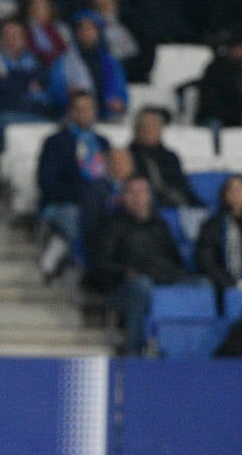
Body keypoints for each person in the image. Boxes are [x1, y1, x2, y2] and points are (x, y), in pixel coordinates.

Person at [86, 176, 199, 355]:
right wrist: (125, 272)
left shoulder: (160, 225)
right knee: (142, 285)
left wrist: (172, 273)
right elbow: (101, 263)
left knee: (202, 284)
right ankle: (133, 351)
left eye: (143, 192)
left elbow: (175, 259)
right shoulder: (112, 225)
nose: (138, 197)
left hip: (161, 278)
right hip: (123, 286)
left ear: (150, 196)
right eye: (132, 192)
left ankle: (192, 350)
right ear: (123, 196)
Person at [35, 91, 110, 278]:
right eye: (79, 109)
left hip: (100, 204)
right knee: (81, 225)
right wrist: (84, 195)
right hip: (65, 204)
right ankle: (86, 274)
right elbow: (47, 184)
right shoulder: (55, 142)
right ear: (70, 112)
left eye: (89, 109)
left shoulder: (102, 142)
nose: (84, 113)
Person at [0, 18, 53, 146]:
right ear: (0, 38)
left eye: (16, 35)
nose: (12, 39)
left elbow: (43, 80)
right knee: (19, 137)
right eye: (7, 35)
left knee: (53, 133)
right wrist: (26, 83)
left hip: (35, 114)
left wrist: (10, 78)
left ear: (24, 39)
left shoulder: (34, 59)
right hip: (2, 115)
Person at [46, 12, 128, 121]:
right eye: (82, 29)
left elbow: (121, 90)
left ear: (98, 32)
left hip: (107, 117)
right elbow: (54, 91)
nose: (86, 33)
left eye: (90, 29)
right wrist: (66, 94)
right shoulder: (64, 62)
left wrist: (119, 103)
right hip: (74, 118)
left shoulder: (111, 63)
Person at [194, 173, 242, 298]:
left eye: (240, 189)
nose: (236, 194)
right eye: (232, 190)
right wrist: (231, 283)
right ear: (225, 195)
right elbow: (207, 262)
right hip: (221, 286)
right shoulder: (211, 226)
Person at [128, 107, 198, 208]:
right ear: (136, 129)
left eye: (153, 125)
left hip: (176, 207)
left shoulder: (171, 157)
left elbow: (184, 187)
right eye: (144, 125)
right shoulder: (128, 156)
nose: (148, 129)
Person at [196, 35, 242, 129]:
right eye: (239, 48)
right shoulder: (216, 69)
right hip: (221, 118)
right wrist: (240, 115)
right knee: (214, 125)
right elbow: (209, 103)